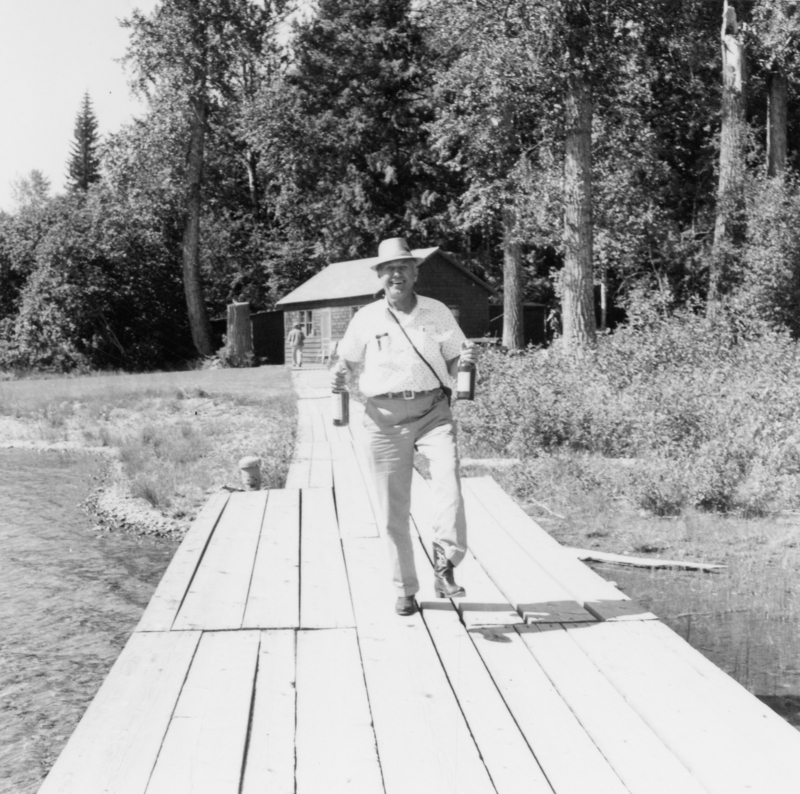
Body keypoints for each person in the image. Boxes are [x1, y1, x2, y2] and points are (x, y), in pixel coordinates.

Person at [332, 237, 479, 616]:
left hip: (433, 411)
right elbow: (347, 361)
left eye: (403, 267)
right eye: (388, 269)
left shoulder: (438, 312)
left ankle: (445, 562)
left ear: (415, 272)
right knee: (392, 510)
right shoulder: (366, 317)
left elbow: (452, 363)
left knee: (448, 481)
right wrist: (339, 374)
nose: (396, 274)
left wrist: (464, 363)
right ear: (380, 277)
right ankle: (405, 588)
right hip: (383, 418)